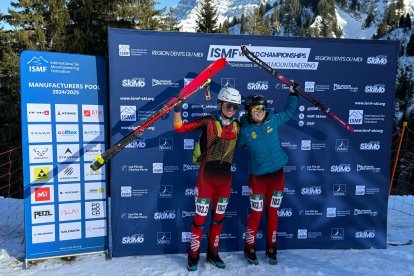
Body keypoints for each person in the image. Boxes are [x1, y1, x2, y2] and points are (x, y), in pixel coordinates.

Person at [173, 87, 241, 271]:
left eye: (235, 106)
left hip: (225, 181)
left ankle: (212, 254)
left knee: (218, 219)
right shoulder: (208, 121)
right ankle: (193, 256)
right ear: (219, 103)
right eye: (228, 105)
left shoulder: (238, 126)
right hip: (206, 179)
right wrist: (177, 110)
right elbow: (180, 128)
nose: (232, 109)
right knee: (200, 219)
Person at [237, 84, 298, 265]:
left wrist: (293, 94)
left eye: (263, 108)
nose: (261, 112)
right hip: (258, 178)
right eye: (256, 109)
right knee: (256, 214)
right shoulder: (245, 130)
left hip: (277, 176)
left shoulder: (272, 120)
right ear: (248, 111)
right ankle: (249, 248)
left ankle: (272, 249)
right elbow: (231, 142)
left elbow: (288, 112)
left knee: (273, 214)